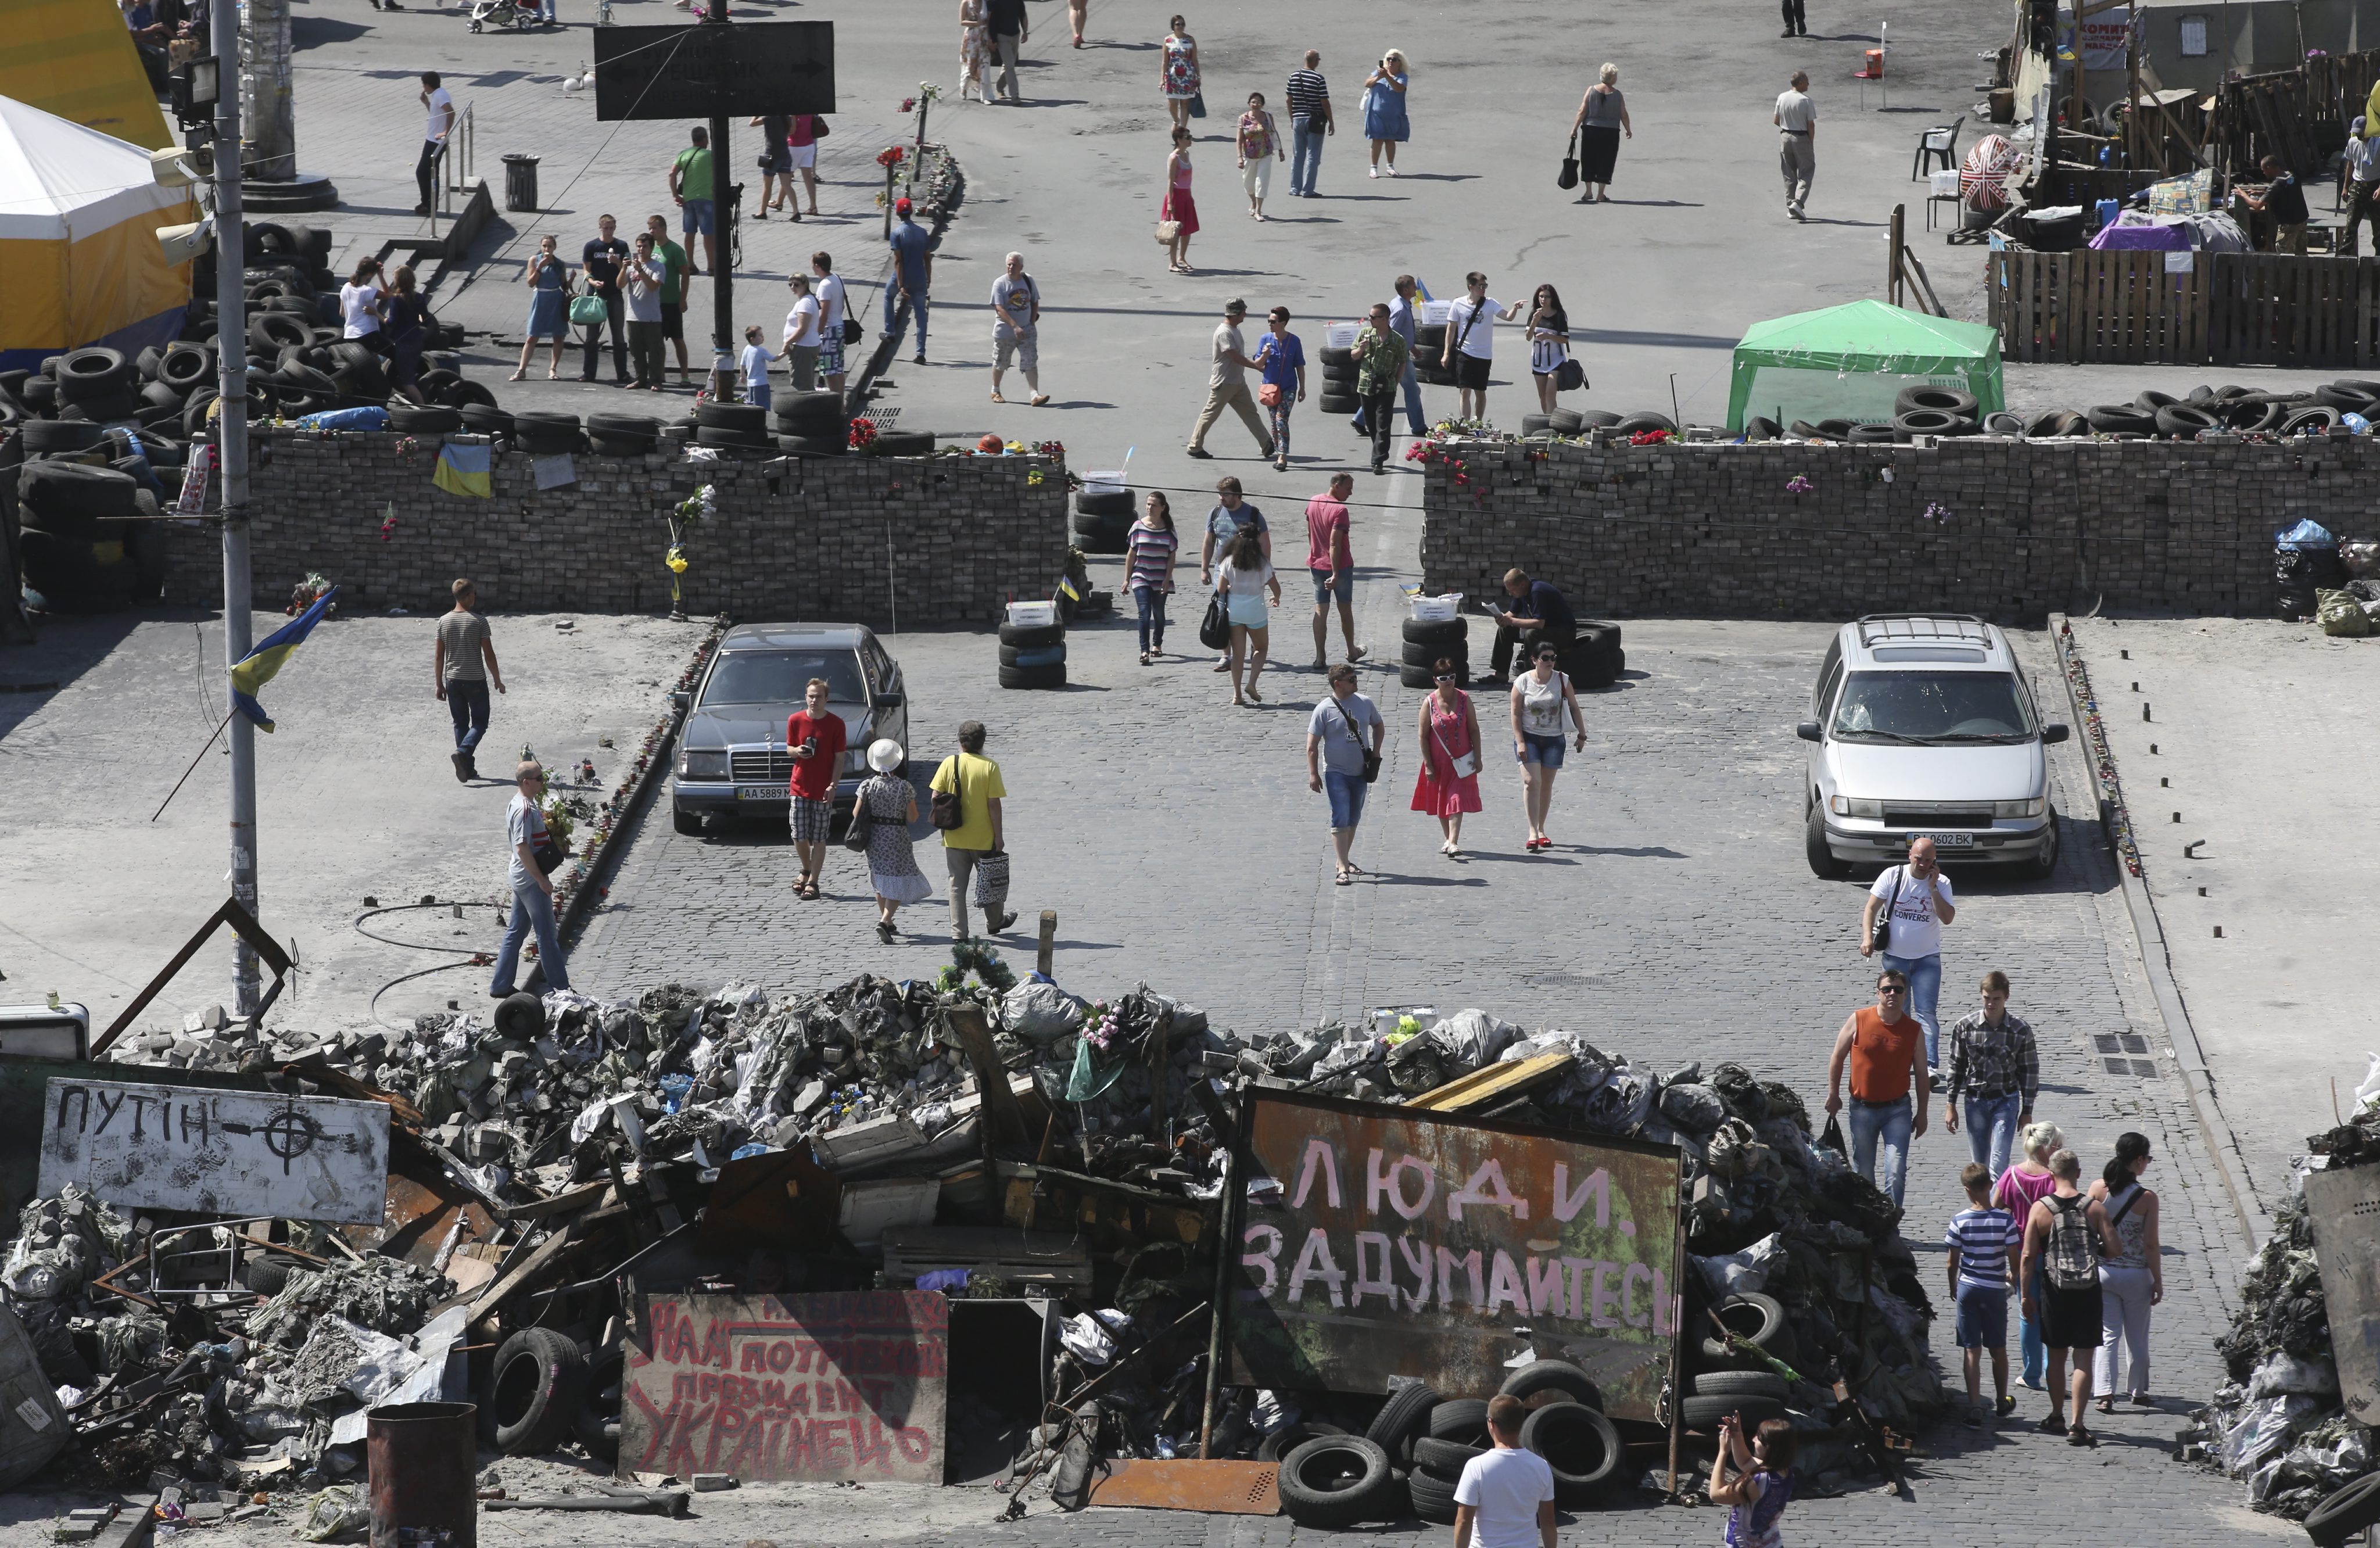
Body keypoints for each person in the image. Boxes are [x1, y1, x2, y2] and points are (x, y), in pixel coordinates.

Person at [2019, 1148, 2117, 1446]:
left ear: (2051, 1175)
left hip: (2054, 1290)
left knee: (2057, 1355)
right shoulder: (2095, 1208)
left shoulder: (2041, 1209)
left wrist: (2025, 1296)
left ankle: (2056, 1415)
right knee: (2083, 1358)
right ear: (2078, 1172)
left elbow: (2026, 1256)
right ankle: (2078, 1424)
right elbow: (2116, 1249)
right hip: (2088, 1291)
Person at [1821, 969, 1930, 1207]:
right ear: (1878, 993)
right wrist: (1833, 1094)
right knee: (1864, 1174)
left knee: (1896, 1169)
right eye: (1887, 989)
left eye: (1898, 990)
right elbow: (1837, 1057)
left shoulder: (1914, 1031)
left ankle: (1891, 1224)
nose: (1892, 994)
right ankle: (1870, 1223)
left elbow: (1922, 1074)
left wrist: (1922, 1113)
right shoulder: (1859, 1019)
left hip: (1898, 1110)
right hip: (1862, 1109)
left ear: (1905, 994)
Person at [1859, 836, 1956, 1073]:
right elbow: (1871, 907)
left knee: (1927, 1013)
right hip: (1895, 958)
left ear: (1935, 862)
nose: (1923, 865)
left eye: (1928, 861)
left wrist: (1932, 889)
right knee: (1898, 1012)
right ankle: (1901, 1058)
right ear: (1909, 856)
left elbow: (1947, 917)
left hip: (1927, 959)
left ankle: (1930, 1065)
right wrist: (1867, 938)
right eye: (1919, 859)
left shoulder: (1942, 882)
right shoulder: (1893, 876)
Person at [1941, 970, 2039, 1180]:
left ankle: (1996, 1210)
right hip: (1975, 1100)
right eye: (1987, 998)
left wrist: (2027, 1110)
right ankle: (1984, 1207)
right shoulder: (1965, 1027)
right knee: (1980, 1166)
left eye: (1997, 999)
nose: (1991, 1004)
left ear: (2006, 997)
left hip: (2006, 1100)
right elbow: (1956, 1066)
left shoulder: (2019, 1030)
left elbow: (2029, 1071)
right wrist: (1951, 1105)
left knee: (1999, 1162)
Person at [1945, 1160, 2021, 1427]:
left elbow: (1952, 1262)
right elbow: (2014, 1257)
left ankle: (1975, 1406)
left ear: (1966, 1190)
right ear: (1991, 1186)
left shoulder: (1959, 1221)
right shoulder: (2005, 1220)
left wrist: (1954, 1286)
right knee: (1998, 1348)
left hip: (1969, 1287)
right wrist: (2014, 1278)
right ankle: (2002, 1401)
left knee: (1971, 1350)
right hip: (1993, 1290)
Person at [2087, 1133, 2160, 1413]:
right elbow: (2151, 1244)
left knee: (2107, 1335)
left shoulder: (2097, 1189)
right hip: (2136, 1275)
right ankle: (2138, 1391)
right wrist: (2158, 1280)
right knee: (2137, 1336)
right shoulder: (2147, 1198)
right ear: (2139, 1160)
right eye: (2148, 1159)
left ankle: (2104, 1392)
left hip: (2104, 1272)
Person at [1995, 1120, 2066, 1394]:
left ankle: (2031, 1374)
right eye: (2059, 1146)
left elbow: (1994, 1208)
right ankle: (2053, 1375)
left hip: (2021, 1255)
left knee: (2028, 1314)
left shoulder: (2011, 1175)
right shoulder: (2054, 1180)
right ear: (2049, 1148)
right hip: (2052, 1255)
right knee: (2053, 1316)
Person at [931, 722, 1016, 943]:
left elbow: (935, 796)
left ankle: (958, 932)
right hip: (983, 837)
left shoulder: (950, 763)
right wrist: (999, 836)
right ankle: (995, 922)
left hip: (955, 836)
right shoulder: (989, 767)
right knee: (991, 880)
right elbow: (994, 804)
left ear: (960, 742)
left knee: (956, 886)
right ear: (983, 742)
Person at [489, 761, 569, 997]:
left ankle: (501, 985)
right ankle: (562, 988)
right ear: (527, 782)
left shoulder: (518, 803)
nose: (543, 782)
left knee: (517, 930)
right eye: (539, 779)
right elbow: (523, 848)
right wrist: (541, 881)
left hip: (520, 876)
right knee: (546, 934)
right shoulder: (524, 808)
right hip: (529, 879)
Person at [1307, 662, 1384, 885]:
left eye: (1356, 678)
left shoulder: (1365, 703)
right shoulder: (1324, 709)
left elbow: (1378, 726)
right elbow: (1312, 745)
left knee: (1354, 817)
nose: (1355, 682)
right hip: (1335, 772)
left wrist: (1376, 752)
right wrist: (1314, 774)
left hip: (1360, 771)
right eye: (1351, 680)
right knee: (1340, 815)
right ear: (1337, 684)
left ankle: (1344, 859)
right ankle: (1342, 867)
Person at [1509, 641, 1586, 851]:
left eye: (1553, 657)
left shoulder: (1562, 679)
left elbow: (1574, 706)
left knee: (1545, 785)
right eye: (1545, 658)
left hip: (1554, 739)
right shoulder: (1523, 682)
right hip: (1529, 738)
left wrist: (1582, 734)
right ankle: (1532, 831)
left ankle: (1542, 829)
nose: (1550, 661)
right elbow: (1515, 714)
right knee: (1531, 782)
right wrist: (1521, 742)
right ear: (1534, 660)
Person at [1451, 1396, 1554, 1548]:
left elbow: (1464, 1522)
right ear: (1521, 1424)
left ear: (1491, 1424)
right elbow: (1548, 1523)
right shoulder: (1541, 1467)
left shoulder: (1476, 1466)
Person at [858, 739, 929, 944]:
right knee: (898, 880)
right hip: (897, 836)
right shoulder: (903, 787)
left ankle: (888, 924)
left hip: (874, 838)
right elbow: (913, 817)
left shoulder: (867, 785)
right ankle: (885, 920)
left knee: (880, 878)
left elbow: (856, 813)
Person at [432, 579, 502, 782]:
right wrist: (497, 680)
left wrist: (439, 683)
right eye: (474, 594)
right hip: (475, 681)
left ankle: (467, 769)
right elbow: (489, 654)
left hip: (453, 680)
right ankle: (463, 752)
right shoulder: (479, 621)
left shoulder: (443, 621)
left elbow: (439, 656)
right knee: (480, 722)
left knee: (460, 723)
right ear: (469, 596)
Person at [784, 676, 847, 900]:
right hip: (799, 786)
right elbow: (789, 749)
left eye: (818, 697)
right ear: (806, 697)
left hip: (823, 789)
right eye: (811, 696)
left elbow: (840, 759)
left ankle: (813, 882)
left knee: (819, 837)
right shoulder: (795, 720)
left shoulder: (836, 724)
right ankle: (806, 868)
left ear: (826, 699)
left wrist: (834, 785)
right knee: (798, 834)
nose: (814, 700)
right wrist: (797, 751)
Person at [1412, 659, 1483, 856]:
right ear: (1436, 680)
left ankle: (1453, 842)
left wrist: (1478, 757)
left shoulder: (1464, 699)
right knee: (1441, 800)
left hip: (1462, 762)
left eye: (1452, 677)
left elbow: (1474, 729)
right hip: (1438, 762)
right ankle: (1449, 840)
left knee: (1456, 799)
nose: (1449, 681)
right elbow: (1422, 735)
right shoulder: (1429, 703)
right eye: (1444, 678)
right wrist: (1428, 765)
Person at [1185, 300, 1273, 458]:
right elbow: (1235, 358)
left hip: (1237, 381)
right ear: (1235, 314)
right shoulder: (1224, 333)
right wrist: (1257, 366)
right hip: (1224, 382)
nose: (1245, 314)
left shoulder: (1234, 329)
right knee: (1210, 414)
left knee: (1250, 412)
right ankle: (1194, 446)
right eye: (1243, 312)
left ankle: (1266, 443)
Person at [1353, 275, 1429, 440]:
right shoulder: (1401, 309)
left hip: (1402, 352)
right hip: (1397, 357)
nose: (1416, 289)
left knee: (1380, 388)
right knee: (1410, 390)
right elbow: (1389, 332)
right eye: (1414, 286)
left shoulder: (1401, 304)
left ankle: (1359, 419)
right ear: (1406, 290)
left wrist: (1413, 347)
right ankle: (1418, 426)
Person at [1707, 1414, 1795, 1548]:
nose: (1754, 1440)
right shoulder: (1785, 1472)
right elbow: (1745, 1461)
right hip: (1771, 1542)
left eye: (1758, 1438)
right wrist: (1737, 1435)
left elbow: (1716, 1494)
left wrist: (1723, 1452)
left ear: (1769, 1448)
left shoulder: (1759, 1480)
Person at [1442, 272, 1520, 423]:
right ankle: (1464, 423)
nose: (1484, 289)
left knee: (1480, 392)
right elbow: (1451, 328)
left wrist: (1515, 308)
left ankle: (1477, 423)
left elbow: (1508, 317)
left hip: (1483, 355)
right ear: (1471, 287)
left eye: (1485, 286)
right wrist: (1446, 353)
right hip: (1464, 352)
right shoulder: (1458, 303)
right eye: (1481, 286)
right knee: (1465, 390)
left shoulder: (1490, 303)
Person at [1216, 526, 1280, 705]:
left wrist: (1232, 588)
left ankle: (1237, 695)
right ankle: (1252, 683)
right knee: (1261, 648)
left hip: (1234, 611)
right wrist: (1276, 597)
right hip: (1256, 610)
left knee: (1238, 654)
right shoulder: (1262, 563)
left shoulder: (1228, 561)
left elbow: (1221, 589)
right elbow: (1276, 587)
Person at [1305, 473, 1363, 667]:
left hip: (1316, 565)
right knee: (1345, 609)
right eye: (1348, 488)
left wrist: (1315, 554)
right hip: (1340, 566)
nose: (1351, 493)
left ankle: (1320, 657)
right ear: (1337, 486)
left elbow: (1310, 533)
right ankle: (1351, 650)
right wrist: (1336, 573)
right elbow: (1335, 544)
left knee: (1321, 610)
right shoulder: (1340, 509)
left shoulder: (1313, 501)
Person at [1485, 567, 1575, 685]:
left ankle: (1531, 676)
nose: (1510, 593)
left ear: (1522, 585)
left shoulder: (1537, 592)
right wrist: (1502, 620)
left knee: (1531, 634)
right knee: (1505, 629)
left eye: (1512, 590)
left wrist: (1511, 621)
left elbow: (1539, 623)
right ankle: (1500, 674)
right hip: (1546, 629)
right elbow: (1512, 614)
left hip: (1564, 633)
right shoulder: (1521, 592)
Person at [1350, 300, 1410, 472]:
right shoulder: (1365, 334)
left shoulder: (1397, 340)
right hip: (1366, 384)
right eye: (1370, 316)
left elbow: (1402, 362)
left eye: (1374, 317)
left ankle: (1378, 460)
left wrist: (1396, 382)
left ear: (1385, 319)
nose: (1370, 319)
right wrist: (1361, 349)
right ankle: (1380, 451)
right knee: (1371, 422)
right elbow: (1353, 355)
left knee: (1383, 423)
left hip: (1387, 386)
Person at [1127, 493, 1180, 664]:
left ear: (1163, 508)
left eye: (1154, 505)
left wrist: (1167, 578)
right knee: (1144, 613)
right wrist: (1126, 579)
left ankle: (1157, 643)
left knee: (1158, 613)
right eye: (1148, 504)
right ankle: (1144, 650)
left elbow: (1172, 556)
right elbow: (1131, 554)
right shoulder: (1138, 526)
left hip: (1160, 577)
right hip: (1141, 575)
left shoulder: (1169, 529)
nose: (1150, 508)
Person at [991, 252, 1048, 406]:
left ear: (1021, 267)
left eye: (1014, 265)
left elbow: (1035, 301)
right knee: (1001, 361)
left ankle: (1035, 395)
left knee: (1030, 360)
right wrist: (1015, 326)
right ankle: (995, 390)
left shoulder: (1028, 280)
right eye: (1009, 264)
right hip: (1005, 332)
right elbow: (999, 309)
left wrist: (1031, 322)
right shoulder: (1000, 283)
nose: (1011, 267)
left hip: (1027, 330)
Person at [1570, 64, 1632, 204]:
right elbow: (1624, 115)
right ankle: (1600, 194)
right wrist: (1628, 129)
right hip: (1611, 132)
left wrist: (1574, 128)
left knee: (1588, 159)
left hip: (1591, 130)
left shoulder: (1591, 90)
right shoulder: (1617, 94)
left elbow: (1582, 111)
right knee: (1606, 160)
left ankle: (1588, 192)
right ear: (1614, 79)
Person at [579, 215, 630, 385]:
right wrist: (593, 282)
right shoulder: (592, 246)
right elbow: (586, 271)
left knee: (619, 336)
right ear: (600, 227)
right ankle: (589, 373)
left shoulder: (621, 246)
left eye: (611, 228)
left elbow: (626, 270)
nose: (609, 231)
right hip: (595, 295)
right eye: (606, 228)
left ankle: (622, 374)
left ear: (615, 228)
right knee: (591, 336)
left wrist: (617, 262)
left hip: (615, 294)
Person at [1254, 306, 1306, 472]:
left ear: (1283, 323)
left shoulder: (1294, 341)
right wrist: (1265, 355)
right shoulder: (1265, 339)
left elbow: (1299, 366)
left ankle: (1283, 456)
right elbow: (1258, 364)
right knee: (1274, 423)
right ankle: (1278, 451)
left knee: (1281, 420)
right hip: (1270, 388)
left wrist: (1302, 388)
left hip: (1288, 387)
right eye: (1269, 321)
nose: (1270, 324)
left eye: (1273, 321)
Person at [512, 236, 570, 381]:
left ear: (554, 248)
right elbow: (531, 283)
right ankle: (522, 370)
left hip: (556, 299)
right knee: (532, 336)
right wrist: (540, 268)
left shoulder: (560, 264)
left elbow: (564, 286)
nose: (547, 249)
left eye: (550, 246)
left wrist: (571, 280)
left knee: (558, 336)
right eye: (544, 246)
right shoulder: (534, 260)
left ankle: (553, 369)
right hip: (541, 299)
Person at [644, 214, 693, 385]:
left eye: (655, 228)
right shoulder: (651, 249)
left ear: (664, 229)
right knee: (657, 341)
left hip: (672, 302)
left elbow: (685, 275)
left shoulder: (675, 250)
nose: (652, 232)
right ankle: (660, 374)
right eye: (650, 228)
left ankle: (685, 375)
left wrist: (683, 299)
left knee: (677, 339)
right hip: (655, 303)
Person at [886, 198, 934, 364]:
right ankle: (920, 353)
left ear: (898, 213)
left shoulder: (897, 233)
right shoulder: (922, 232)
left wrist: (900, 285)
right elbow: (927, 258)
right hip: (920, 277)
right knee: (921, 314)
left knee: (888, 296)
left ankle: (890, 332)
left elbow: (898, 261)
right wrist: (928, 277)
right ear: (912, 212)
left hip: (903, 277)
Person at [669, 126, 718, 277]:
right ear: (705, 139)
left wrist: (675, 194)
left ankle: (690, 265)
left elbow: (672, 174)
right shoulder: (710, 155)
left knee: (689, 233)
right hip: (707, 199)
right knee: (708, 234)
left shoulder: (683, 154)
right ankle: (712, 266)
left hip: (688, 200)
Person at [622, 232, 667, 392]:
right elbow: (619, 285)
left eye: (644, 247)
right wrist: (623, 268)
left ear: (651, 248)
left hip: (652, 317)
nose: (641, 250)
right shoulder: (631, 267)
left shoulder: (658, 266)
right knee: (636, 350)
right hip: (633, 316)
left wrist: (641, 271)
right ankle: (640, 378)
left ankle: (655, 380)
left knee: (654, 351)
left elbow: (654, 287)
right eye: (639, 246)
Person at [381, 266, 432, 403]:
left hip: (403, 344)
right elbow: (425, 317)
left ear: (399, 280)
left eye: (394, 277)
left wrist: (377, 315)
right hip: (417, 341)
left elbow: (391, 322)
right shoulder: (419, 297)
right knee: (409, 375)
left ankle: (422, 407)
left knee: (406, 381)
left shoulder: (396, 299)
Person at [1286, 52, 1333, 198]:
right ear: (1314, 61)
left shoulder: (1293, 76)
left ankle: (1295, 188)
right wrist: (1331, 122)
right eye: (1318, 59)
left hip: (1298, 119)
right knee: (1313, 155)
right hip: (1315, 120)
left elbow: (1289, 100)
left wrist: (1292, 118)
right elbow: (1324, 102)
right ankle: (1308, 190)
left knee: (1297, 155)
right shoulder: (1318, 78)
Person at [2243, 153, 2310, 254]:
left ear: (2269, 167)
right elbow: (2284, 194)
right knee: (2301, 256)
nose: (2264, 173)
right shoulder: (2291, 176)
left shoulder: (2276, 184)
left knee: (2285, 258)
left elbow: (2257, 206)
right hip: (2301, 222)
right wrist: (2262, 193)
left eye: (2264, 170)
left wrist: (2243, 195)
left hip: (2288, 226)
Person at [1775, 72, 1816, 221]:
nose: (1808, 85)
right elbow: (1811, 125)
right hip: (1801, 137)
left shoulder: (1782, 97)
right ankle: (1798, 202)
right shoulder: (1806, 101)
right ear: (1800, 83)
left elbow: (1776, 120)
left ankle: (1790, 207)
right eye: (1806, 82)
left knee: (1788, 173)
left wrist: (1788, 126)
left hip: (1785, 137)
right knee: (1807, 171)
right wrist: (1810, 142)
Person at [1524, 284, 1570, 415]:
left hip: (1556, 361)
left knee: (1550, 394)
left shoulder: (1559, 315)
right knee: (1543, 397)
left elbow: (1565, 339)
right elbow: (1528, 337)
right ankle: (1547, 421)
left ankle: (1553, 425)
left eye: (1547, 297)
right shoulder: (1535, 314)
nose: (1543, 299)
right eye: (1541, 296)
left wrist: (1549, 336)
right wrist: (1534, 322)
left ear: (1552, 299)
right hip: (1538, 361)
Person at [1161, 127, 1201, 275]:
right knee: (1175, 231)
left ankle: (1182, 258)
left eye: (1190, 136)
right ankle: (1172, 263)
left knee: (1187, 229)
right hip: (1176, 196)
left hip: (1186, 196)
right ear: (1179, 140)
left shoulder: (1187, 154)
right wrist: (1170, 203)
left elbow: (1188, 180)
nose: (1190, 139)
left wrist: (1190, 195)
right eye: (1187, 137)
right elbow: (1170, 181)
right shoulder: (1174, 158)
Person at [1362, 51, 1410, 177]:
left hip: (1393, 114)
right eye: (1389, 59)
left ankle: (1390, 166)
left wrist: (1387, 77)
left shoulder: (1402, 77)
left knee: (1390, 140)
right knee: (1377, 140)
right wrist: (1379, 77)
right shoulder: (1379, 73)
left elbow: (1399, 88)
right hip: (1376, 113)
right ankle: (1374, 168)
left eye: (1394, 59)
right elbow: (1367, 83)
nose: (1390, 62)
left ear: (1400, 63)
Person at [1238, 92, 1284, 220]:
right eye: (1253, 102)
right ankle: (1253, 201)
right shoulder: (1243, 118)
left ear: (1262, 104)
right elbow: (1239, 139)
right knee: (1248, 184)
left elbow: (1274, 132)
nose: (1256, 104)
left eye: (1259, 102)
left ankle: (1258, 210)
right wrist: (1239, 157)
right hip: (1249, 155)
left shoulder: (1268, 117)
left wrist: (1280, 150)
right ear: (1249, 104)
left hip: (1265, 154)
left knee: (1262, 182)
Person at [417, 73, 453, 217]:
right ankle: (430, 204)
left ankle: (428, 204)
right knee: (432, 173)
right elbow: (437, 114)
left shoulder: (440, 96)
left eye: (424, 85)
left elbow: (451, 112)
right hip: (433, 139)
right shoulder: (438, 95)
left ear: (428, 85)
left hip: (435, 141)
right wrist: (426, 104)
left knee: (422, 172)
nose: (423, 88)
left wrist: (445, 131)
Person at [812, 253, 850, 393]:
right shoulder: (837, 278)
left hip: (829, 331)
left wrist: (817, 333)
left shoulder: (824, 285)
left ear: (817, 266)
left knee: (829, 371)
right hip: (839, 327)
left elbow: (823, 313)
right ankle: (841, 404)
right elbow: (843, 305)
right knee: (838, 368)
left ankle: (836, 405)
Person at [338, 259, 390, 354]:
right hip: (368, 333)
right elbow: (387, 295)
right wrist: (380, 275)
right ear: (370, 275)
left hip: (349, 336)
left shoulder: (345, 287)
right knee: (394, 354)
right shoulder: (368, 291)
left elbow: (342, 313)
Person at [781, 274, 822, 392]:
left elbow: (802, 329)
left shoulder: (806, 302)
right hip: (805, 345)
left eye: (796, 285)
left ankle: (806, 409)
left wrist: (787, 343)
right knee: (805, 381)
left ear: (805, 285)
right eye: (790, 285)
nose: (793, 287)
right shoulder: (806, 300)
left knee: (801, 385)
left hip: (803, 347)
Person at [2346, 119, 2380, 256]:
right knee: (2350, 227)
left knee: (2378, 229)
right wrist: (2345, 187)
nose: (2360, 136)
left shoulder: (2378, 143)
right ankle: (2344, 258)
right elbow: (2350, 165)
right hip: (2358, 186)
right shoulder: (2353, 143)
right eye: (2357, 133)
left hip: (2375, 186)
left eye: (2361, 133)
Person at [750, 113, 792, 220]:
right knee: (787, 185)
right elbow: (791, 131)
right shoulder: (786, 117)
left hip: (772, 155)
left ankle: (762, 212)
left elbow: (752, 124)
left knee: (767, 186)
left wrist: (756, 114)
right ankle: (796, 211)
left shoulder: (768, 117)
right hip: (785, 154)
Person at [1162, 17, 1200, 130]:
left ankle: (1182, 129)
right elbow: (1165, 61)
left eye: (1183, 24)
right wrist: (1162, 78)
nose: (1181, 26)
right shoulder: (1168, 40)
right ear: (1173, 26)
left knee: (1185, 103)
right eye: (1178, 24)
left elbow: (1194, 59)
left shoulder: (1190, 40)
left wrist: (1198, 76)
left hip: (1187, 76)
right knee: (1172, 103)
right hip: (1172, 76)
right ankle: (1176, 120)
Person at [987, 0, 1027, 103]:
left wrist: (1025, 32)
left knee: (1009, 64)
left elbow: (1023, 15)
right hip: (1001, 37)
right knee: (1010, 65)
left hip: (1015, 35)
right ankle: (1015, 96)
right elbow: (989, 20)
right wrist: (991, 39)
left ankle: (999, 87)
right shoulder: (993, 2)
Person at [788, 114, 823, 217]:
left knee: (786, 177)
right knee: (808, 177)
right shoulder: (809, 110)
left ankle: (789, 207)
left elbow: (792, 131)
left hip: (794, 146)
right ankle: (813, 206)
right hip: (809, 145)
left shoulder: (793, 113)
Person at [959, 0, 992, 103]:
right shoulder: (966, 3)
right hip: (971, 39)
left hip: (984, 38)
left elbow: (990, 22)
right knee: (970, 67)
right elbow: (962, 21)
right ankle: (963, 87)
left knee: (984, 66)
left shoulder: (986, 3)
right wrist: (976, 24)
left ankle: (985, 96)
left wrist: (991, 39)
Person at [740, 325, 772, 410]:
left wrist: (742, 376)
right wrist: (785, 352)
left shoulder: (746, 349)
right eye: (760, 335)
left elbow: (743, 364)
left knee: (753, 406)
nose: (763, 337)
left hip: (750, 384)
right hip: (762, 383)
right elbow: (773, 359)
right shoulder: (761, 351)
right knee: (763, 408)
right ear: (752, 339)